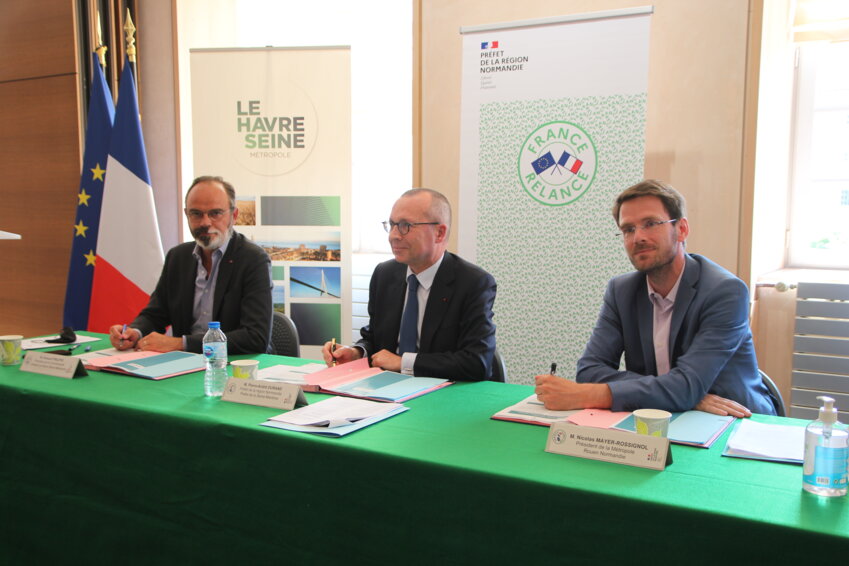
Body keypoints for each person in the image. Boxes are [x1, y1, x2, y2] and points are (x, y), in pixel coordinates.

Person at [535, 180, 776, 416]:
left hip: (736, 421)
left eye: (651, 224)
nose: (638, 237)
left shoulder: (724, 291)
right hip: (663, 415)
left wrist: (586, 394)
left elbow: (686, 387)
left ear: (681, 229)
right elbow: (589, 370)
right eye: (628, 229)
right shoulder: (621, 291)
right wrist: (676, 392)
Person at [322, 188, 497, 381]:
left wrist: (403, 362)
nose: (393, 235)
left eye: (405, 226)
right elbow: (374, 338)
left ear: (439, 233)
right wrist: (357, 353)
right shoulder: (384, 274)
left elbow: (477, 362)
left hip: (443, 391)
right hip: (385, 387)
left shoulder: (473, 283)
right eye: (392, 225)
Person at [108, 176, 273, 355]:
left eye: (215, 213)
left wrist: (182, 343)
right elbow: (156, 314)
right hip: (184, 363)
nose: (205, 223)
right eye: (196, 214)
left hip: (234, 364)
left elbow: (255, 337)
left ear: (233, 216)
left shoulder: (253, 259)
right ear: (187, 214)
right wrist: (135, 332)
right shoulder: (178, 257)